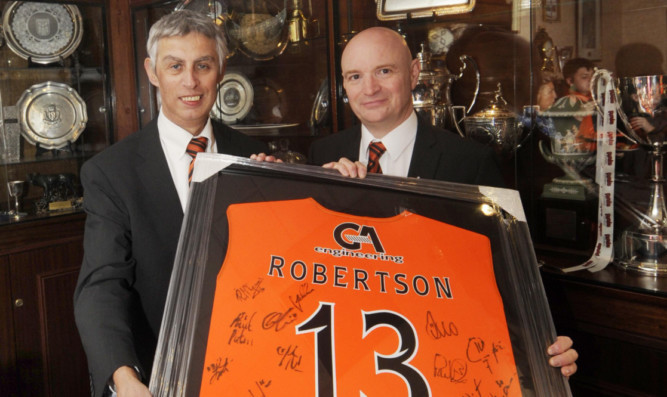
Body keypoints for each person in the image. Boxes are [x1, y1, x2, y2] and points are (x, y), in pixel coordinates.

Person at [307, 26, 578, 377]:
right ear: (344, 85)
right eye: (355, 76)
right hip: (347, 352)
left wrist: (544, 344)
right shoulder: (323, 154)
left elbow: (507, 270)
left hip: (439, 354)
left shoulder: (469, 161)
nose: (369, 89)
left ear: (414, 73)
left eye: (384, 71)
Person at [73, 10, 268, 397]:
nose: (190, 81)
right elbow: (102, 284)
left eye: (203, 65)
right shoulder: (111, 172)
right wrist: (124, 377)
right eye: (175, 66)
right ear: (152, 72)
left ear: (221, 68)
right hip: (158, 373)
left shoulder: (257, 158)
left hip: (252, 366)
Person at [541, 57, 596, 152]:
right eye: (584, 77)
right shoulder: (567, 101)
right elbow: (555, 130)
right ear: (570, 81)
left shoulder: (592, 100)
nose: (591, 80)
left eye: (593, 76)